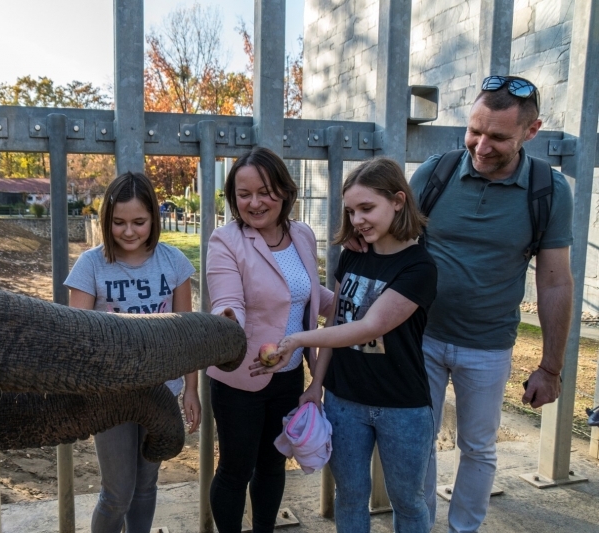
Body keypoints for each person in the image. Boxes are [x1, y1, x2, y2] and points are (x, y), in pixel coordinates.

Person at [405, 76, 573, 532]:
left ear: (530, 132)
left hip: (489, 345)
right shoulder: (433, 174)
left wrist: (551, 367)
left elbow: (556, 282)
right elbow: (395, 249)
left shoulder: (549, 191)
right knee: (416, 442)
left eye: (498, 136)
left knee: (478, 447)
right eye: (474, 131)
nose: (481, 146)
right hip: (422, 337)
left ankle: (465, 528)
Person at [254, 157, 438, 532]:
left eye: (367, 208)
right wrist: (316, 385)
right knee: (350, 496)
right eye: (352, 211)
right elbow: (336, 320)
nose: (357, 220)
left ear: (398, 201)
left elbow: (367, 327)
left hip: (402, 406)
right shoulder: (353, 253)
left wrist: (297, 340)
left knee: (408, 501)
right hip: (344, 401)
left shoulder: (419, 267)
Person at [206, 147, 335, 533]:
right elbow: (229, 300)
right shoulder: (226, 240)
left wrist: (365, 293)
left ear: (283, 190)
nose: (255, 202)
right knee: (235, 469)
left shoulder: (303, 235)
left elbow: (313, 295)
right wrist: (229, 322)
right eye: (244, 195)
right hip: (241, 375)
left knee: (273, 463)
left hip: (290, 376)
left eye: (264, 191)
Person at [64, 171, 200, 533]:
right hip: (111, 395)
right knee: (117, 493)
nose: (128, 231)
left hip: (161, 391)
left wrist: (191, 389)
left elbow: (187, 335)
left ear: (154, 219)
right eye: (119, 222)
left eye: (138, 222)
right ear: (106, 221)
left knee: (146, 486)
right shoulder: (90, 265)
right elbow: (76, 337)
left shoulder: (174, 263)